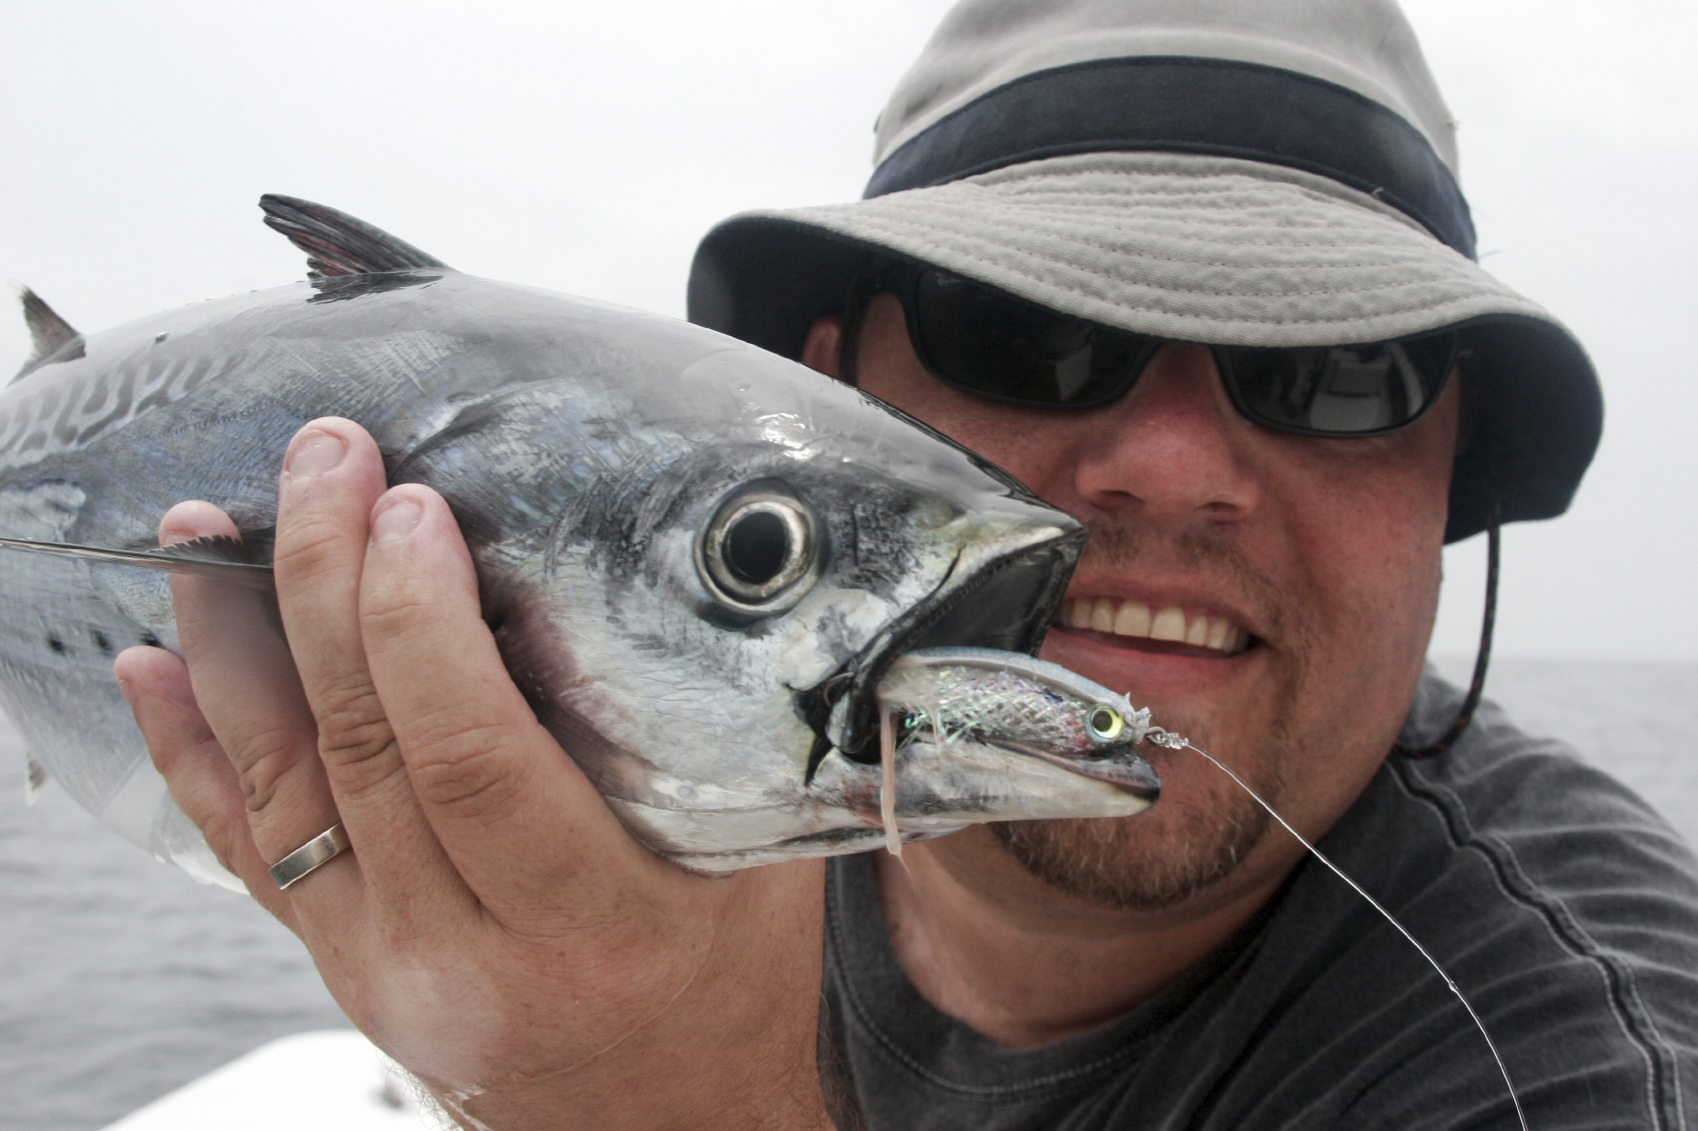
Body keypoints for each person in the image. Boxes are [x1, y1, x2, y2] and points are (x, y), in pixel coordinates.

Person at [115, 0, 1698, 1128]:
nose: (1168, 463)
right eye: (1027, 334)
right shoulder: (629, 706)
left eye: (1338, 371)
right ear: (828, 384)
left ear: (1450, 476)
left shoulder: (1585, 1064)